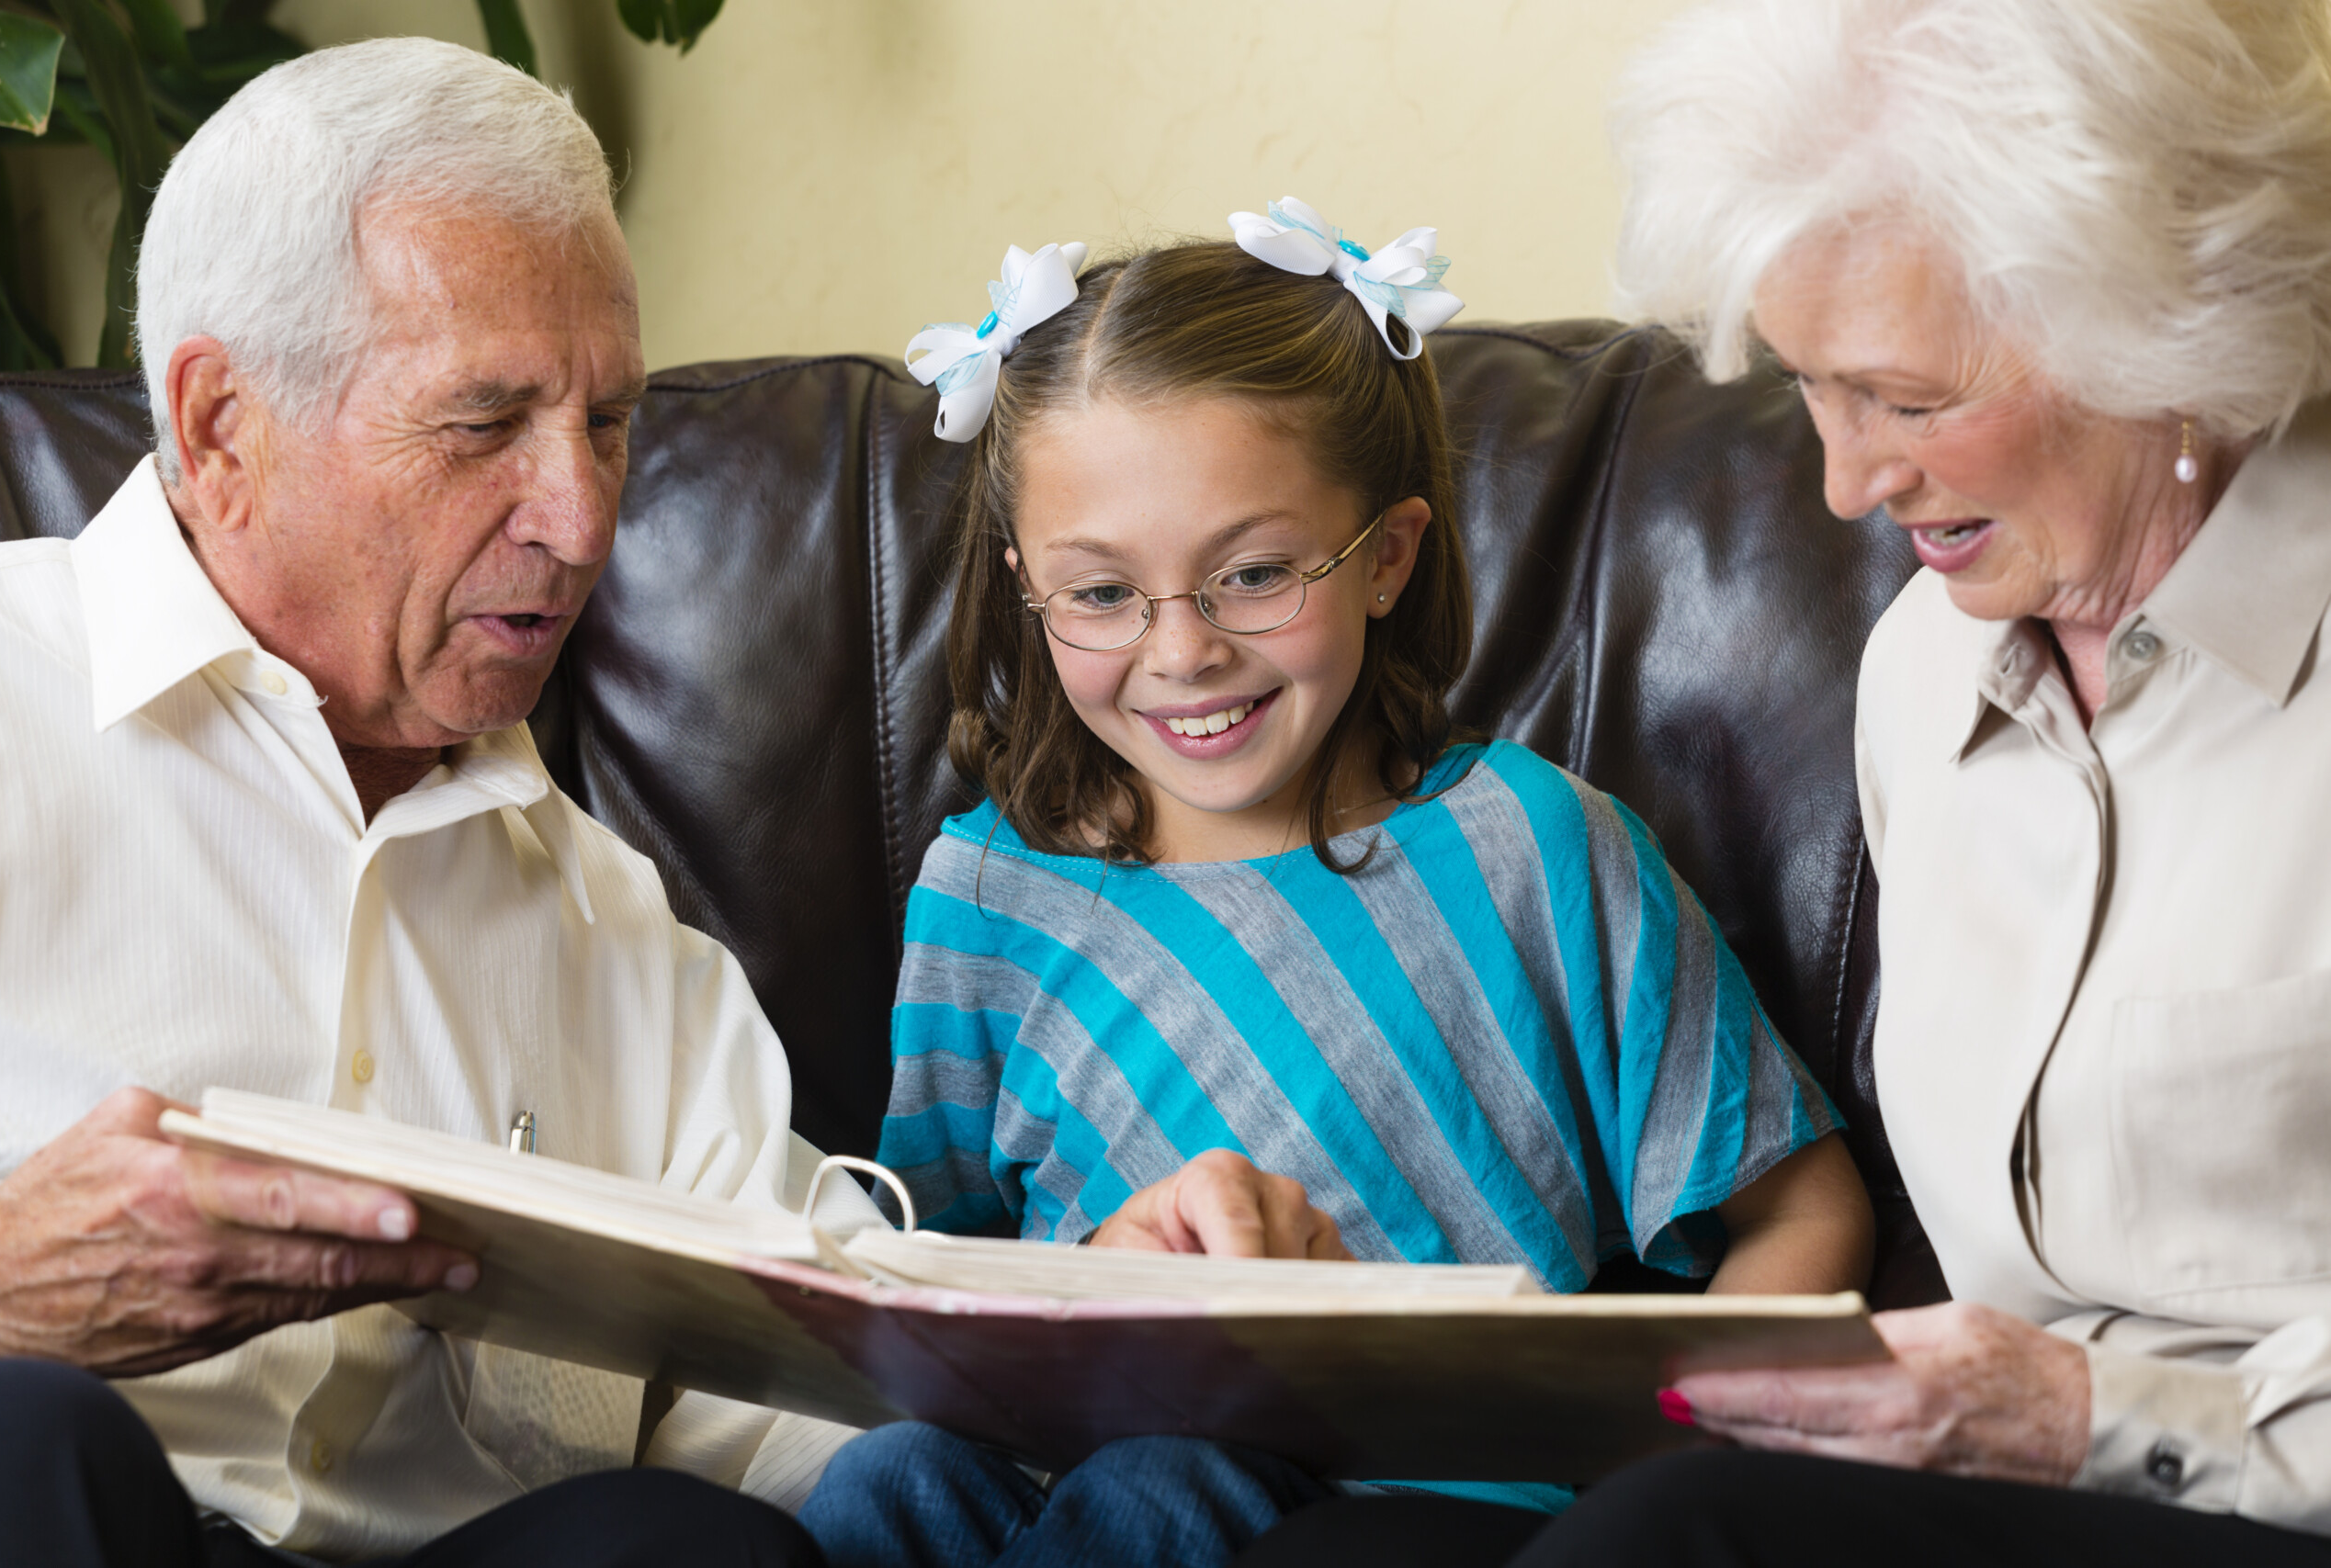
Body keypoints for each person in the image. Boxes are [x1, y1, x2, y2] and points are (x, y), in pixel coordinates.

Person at [1242, 2, 2331, 1565]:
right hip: (1994, 1501)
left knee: (1684, 1541)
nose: (1847, 480)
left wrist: (2099, 1419)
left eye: (1909, 395)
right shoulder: (1925, 669)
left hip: (2257, 1501)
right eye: (1814, 387)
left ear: (2165, 323)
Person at [794, 202, 1875, 1568]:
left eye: (1251, 575)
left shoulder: (1540, 849)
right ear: (1026, 589)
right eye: (1102, 594)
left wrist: (1653, 1452)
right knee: (886, 1480)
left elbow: (1805, 1206)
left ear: (1389, 557)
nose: (1180, 651)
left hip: (1422, 1508)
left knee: (1165, 1489)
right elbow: (937, 1286)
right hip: (1067, 1463)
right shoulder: (986, 900)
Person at [0, 38, 879, 1567]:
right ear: (219, 429)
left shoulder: (608, 926)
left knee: (677, 1546)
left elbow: (828, 1366)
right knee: (15, 1436)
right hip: (56, 1509)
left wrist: (1118, 1335)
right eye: (482, 427)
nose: (581, 518)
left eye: (605, 423)